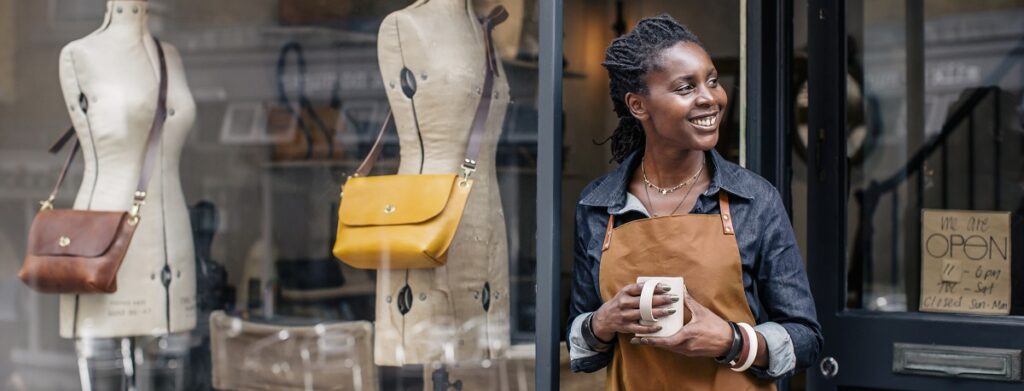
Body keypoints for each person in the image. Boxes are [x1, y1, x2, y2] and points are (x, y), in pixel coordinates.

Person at [567, 14, 822, 390]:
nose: (711, 98)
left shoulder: (754, 199)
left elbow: (807, 338)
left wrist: (733, 341)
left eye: (713, 81)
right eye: (686, 87)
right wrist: (601, 322)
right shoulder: (599, 206)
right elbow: (585, 354)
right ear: (639, 105)